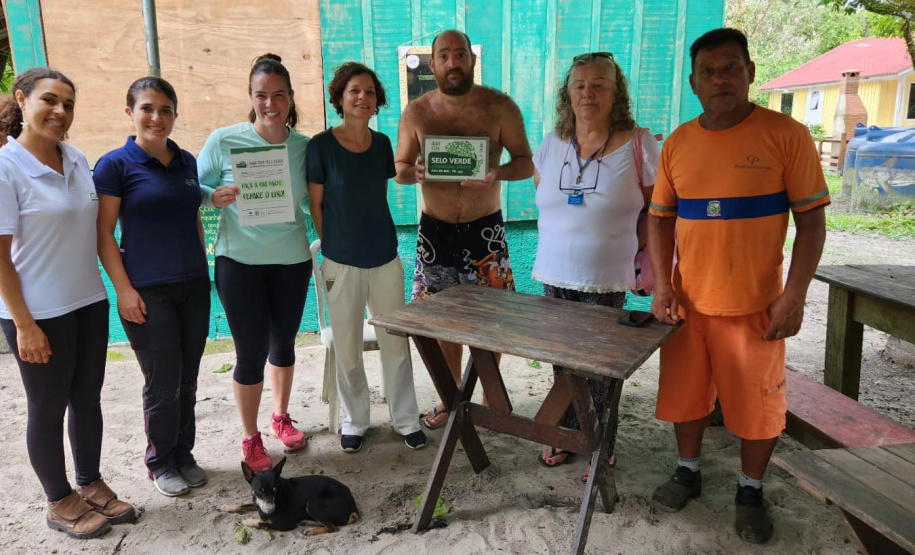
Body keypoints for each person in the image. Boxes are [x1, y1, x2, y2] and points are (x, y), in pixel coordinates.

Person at [648, 28, 829, 544]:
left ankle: (750, 489)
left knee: (758, 408)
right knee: (685, 398)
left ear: (750, 72)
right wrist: (664, 286)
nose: (720, 78)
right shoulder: (679, 142)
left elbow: (812, 223)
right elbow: (659, 219)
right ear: (693, 82)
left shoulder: (786, 135)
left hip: (757, 307)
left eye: (731, 67)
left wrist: (793, 297)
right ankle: (688, 470)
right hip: (688, 306)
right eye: (709, 70)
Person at [0, 68, 136, 539]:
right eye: (49, 100)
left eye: (69, 104)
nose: (60, 112)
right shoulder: (6, 167)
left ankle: (89, 481)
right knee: (47, 406)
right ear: (22, 100)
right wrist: (23, 324)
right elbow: (0, 258)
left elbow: (97, 233)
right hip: (38, 312)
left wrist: (116, 288)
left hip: (87, 302)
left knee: (87, 399)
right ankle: (59, 500)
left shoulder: (76, 159)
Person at [394, 30, 534, 429]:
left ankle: (490, 397)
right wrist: (414, 171)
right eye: (444, 55)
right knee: (441, 322)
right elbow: (400, 167)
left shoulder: (499, 106)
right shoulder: (417, 112)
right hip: (434, 233)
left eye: (460, 55)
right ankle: (450, 397)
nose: (452, 62)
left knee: (495, 321)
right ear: (433, 63)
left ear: (471, 60)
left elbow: (524, 161)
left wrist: (497, 173)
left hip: (485, 232)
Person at [532, 52, 660, 481]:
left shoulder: (639, 142)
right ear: (567, 94)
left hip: (605, 276)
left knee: (601, 369)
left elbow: (658, 208)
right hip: (553, 273)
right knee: (562, 362)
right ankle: (569, 435)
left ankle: (602, 445)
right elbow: (543, 193)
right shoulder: (552, 142)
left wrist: (637, 247)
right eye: (580, 84)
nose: (588, 92)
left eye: (599, 84)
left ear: (615, 92)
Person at [95, 77, 211, 497]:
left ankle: (184, 453)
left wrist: (204, 267)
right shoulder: (115, 165)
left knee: (189, 377)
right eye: (147, 108)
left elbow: (193, 217)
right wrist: (123, 290)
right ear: (130, 112)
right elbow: (104, 234)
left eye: (165, 109)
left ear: (175, 115)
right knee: (162, 382)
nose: (156, 117)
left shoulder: (187, 162)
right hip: (147, 291)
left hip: (194, 286)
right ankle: (160, 461)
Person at [198, 54, 313, 472]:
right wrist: (212, 196)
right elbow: (191, 183)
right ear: (251, 97)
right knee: (250, 352)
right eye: (261, 95)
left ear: (289, 98)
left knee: (284, 343)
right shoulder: (224, 140)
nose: (270, 103)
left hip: (291, 260)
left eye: (278, 95)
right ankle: (251, 438)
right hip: (239, 263)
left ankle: (280, 418)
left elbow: (313, 198)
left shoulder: (303, 147)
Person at [307, 62, 426, 453]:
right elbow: (317, 205)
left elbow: (382, 192)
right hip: (341, 261)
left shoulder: (382, 145)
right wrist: (334, 249)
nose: (363, 98)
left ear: (377, 102)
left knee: (396, 343)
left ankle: (406, 419)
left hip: (385, 257)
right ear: (340, 97)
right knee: (348, 346)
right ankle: (355, 420)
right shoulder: (321, 146)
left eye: (370, 92)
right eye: (354, 91)